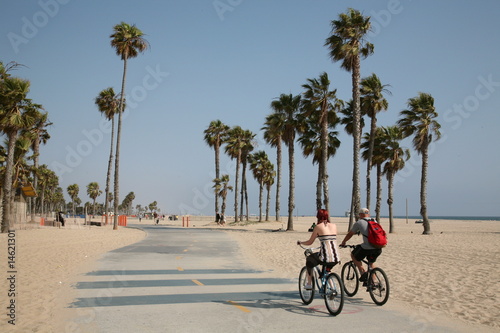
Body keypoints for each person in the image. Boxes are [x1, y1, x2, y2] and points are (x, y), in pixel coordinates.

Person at [297, 209, 340, 289]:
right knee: (327, 272)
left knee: (309, 260)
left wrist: (301, 242)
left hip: (325, 256)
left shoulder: (318, 227)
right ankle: (332, 288)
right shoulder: (334, 225)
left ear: (318, 216)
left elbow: (310, 242)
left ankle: (309, 284)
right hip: (336, 256)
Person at [339, 208, 382, 284]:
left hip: (367, 248)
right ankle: (375, 281)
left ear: (361, 214)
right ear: (368, 214)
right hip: (378, 247)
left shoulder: (359, 222)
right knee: (371, 263)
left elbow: (350, 234)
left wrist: (343, 242)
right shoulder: (374, 221)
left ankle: (363, 273)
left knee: (353, 255)